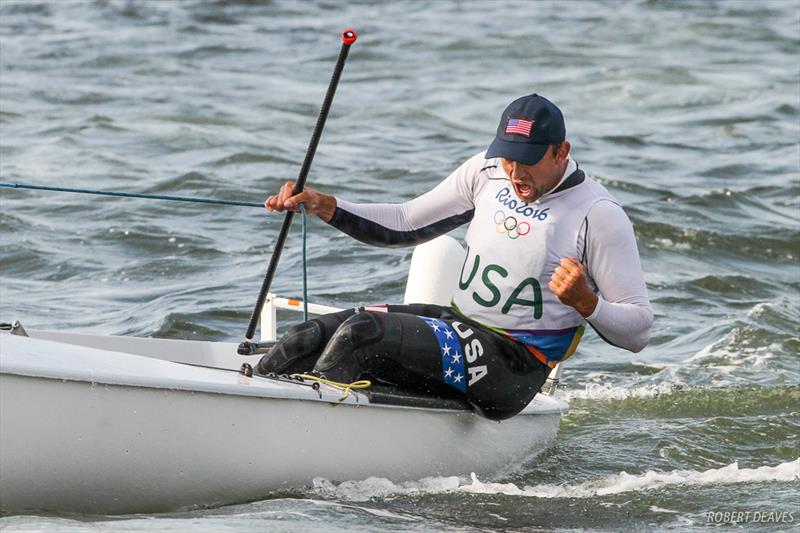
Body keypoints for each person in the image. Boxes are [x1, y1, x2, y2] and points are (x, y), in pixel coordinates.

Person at [256, 94, 653, 420]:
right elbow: (405, 223)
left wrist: (588, 303)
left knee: (360, 337)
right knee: (305, 338)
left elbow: (638, 330)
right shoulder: (485, 171)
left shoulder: (597, 214)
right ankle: (253, 408)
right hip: (461, 326)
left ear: (561, 152)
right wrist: (327, 206)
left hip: (515, 362)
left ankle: (314, 436)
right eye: (508, 158)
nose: (515, 173)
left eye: (528, 160)